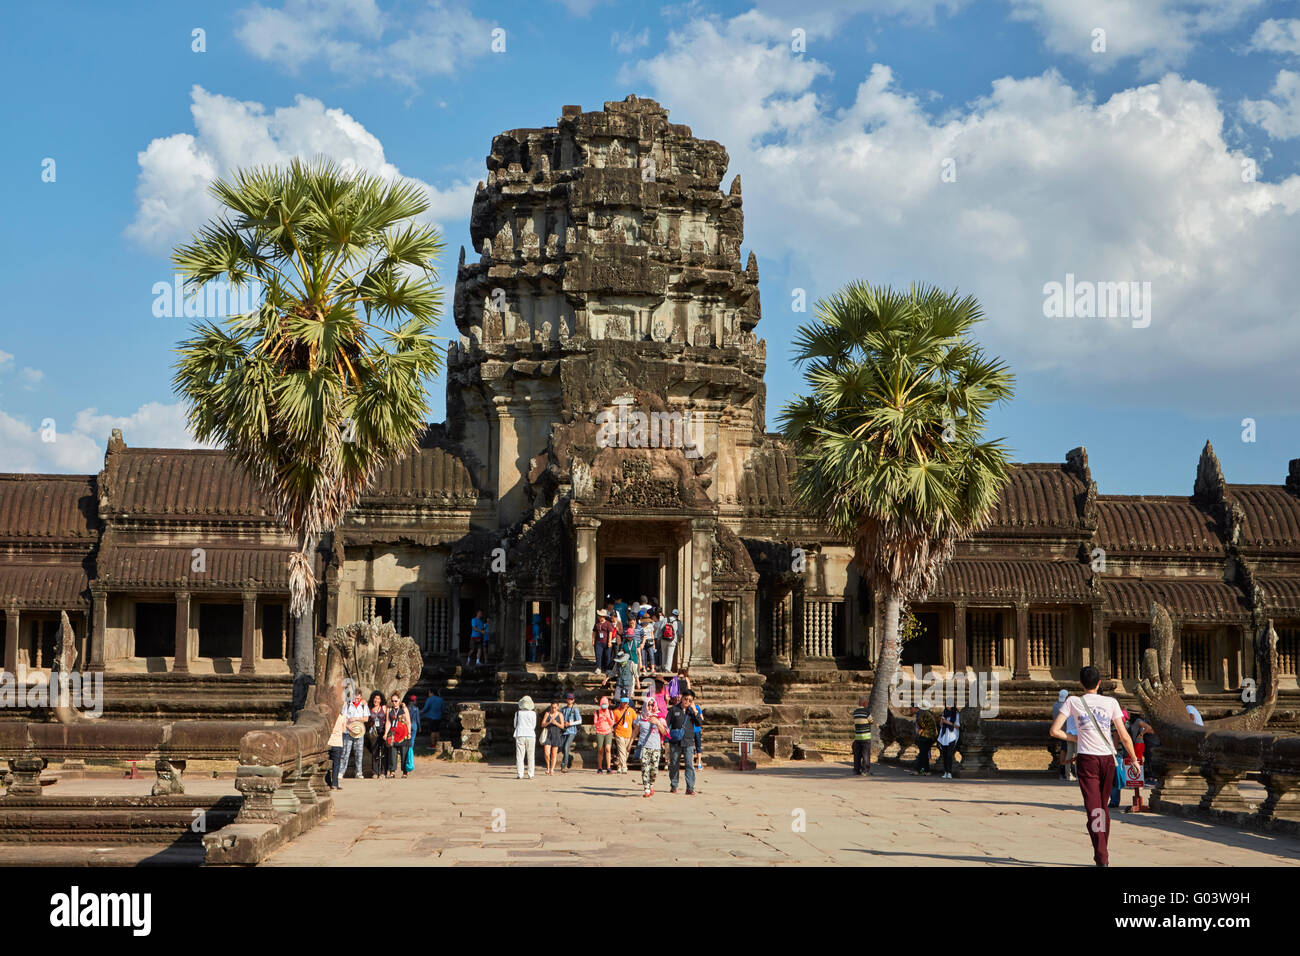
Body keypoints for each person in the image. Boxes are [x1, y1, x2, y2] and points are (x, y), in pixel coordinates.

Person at [1050, 666, 1139, 867]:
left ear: (1081, 683)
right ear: (1100, 683)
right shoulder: (1111, 702)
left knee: (1094, 808)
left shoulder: (1073, 701)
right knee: (1102, 807)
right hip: (1107, 758)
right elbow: (1124, 736)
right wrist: (1133, 759)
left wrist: (1074, 737)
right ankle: (1102, 851)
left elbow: (1054, 731)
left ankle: (1102, 856)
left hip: (1087, 759)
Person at [667, 690, 703, 794]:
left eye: (690, 700)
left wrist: (695, 711)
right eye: (685, 699)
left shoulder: (692, 711)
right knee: (674, 764)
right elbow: (667, 724)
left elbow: (699, 723)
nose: (687, 701)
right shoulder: (674, 710)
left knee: (689, 765)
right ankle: (674, 785)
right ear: (682, 698)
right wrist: (666, 739)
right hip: (675, 741)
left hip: (688, 742)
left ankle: (690, 787)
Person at [634, 700, 668, 797]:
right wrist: (630, 744)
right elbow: (635, 732)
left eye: (652, 705)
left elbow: (665, 732)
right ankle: (646, 789)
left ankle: (651, 784)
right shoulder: (640, 718)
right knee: (645, 768)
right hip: (644, 747)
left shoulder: (660, 718)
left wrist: (657, 723)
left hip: (656, 747)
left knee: (654, 770)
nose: (650, 707)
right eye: (648, 705)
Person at [342, 688, 369, 783]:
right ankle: (341, 771)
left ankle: (358, 772)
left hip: (359, 732)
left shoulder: (363, 705)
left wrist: (356, 719)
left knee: (359, 753)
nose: (356, 700)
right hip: (348, 731)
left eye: (358, 698)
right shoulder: (348, 704)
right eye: (355, 698)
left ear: (361, 697)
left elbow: (366, 718)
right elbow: (343, 718)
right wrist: (347, 726)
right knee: (345, 752)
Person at [1052, 689, 1078, 781]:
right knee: (1075, 753)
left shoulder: (1055, 705)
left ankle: (1066, 773)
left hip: (1063, 731)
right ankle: (1074, 773)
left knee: (1068, 752)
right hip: (1070, 732)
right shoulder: (1069, 708)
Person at [384, 693, 412, 779]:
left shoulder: (404, 709)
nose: (394, 703)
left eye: (396, 701)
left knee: (404, 753)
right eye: (392, 701)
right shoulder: (389, 710)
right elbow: (388, 722)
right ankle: (392, 771)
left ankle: (404, 772)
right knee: (392, 753)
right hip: (393, 733)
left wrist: (409, 732)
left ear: (399, 700)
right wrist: (385, 733)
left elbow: (408, 721)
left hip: (403, 734)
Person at [611, 696, 637, 774]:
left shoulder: (631, 711)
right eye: (624, 702)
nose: (625, 704)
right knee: (622, 750)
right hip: (619, 733)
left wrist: (635, 731)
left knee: (625, 752)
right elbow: (613, 722)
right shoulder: (615, 711)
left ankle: (619, 766)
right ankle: (624, 767)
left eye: (626, 702)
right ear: (621, 703)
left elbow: (635, 721)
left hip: (628, 733)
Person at [514, 696, 537, 779]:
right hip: (530, 735)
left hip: (520, 734)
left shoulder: (518, 713)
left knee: (520, 756)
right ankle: (531, 774)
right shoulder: (533, 714)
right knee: (531, 756)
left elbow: (515, 725)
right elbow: (534, 725)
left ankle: (520, 774)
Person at [540, 700, 565, 775]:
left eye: (555, 708)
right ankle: (547, 767)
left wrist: (556, 723)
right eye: (552, 707)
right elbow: (542, 724)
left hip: (556, 735)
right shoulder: (547, 714)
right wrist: (549, 722)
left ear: (557, 707)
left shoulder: (560, 715)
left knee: (554, 754)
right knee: (546, 753)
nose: (553, 709)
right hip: (548, 734)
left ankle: (552, 769)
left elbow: (562, 726)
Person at [366, 691, 388, 778]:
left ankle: (383, 772)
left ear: (381, 700)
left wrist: (386, 732)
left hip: (382, 731)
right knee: (374, 752)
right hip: (373, 732)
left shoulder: (384, 708)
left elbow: (388, 720)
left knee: (383, 752)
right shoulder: (370, 708)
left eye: (378, 699)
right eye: (375, 698)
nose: (376, 700)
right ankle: (375, 772)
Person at [911, 706, 938, 775]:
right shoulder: (922, 713)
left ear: (916, 708)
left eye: (911, 708)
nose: (910, 710)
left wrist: (918, 734)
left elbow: (922, 726)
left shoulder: (921, 714)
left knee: (923, 754)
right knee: (924, 754)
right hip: (929, 735)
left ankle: (921, 770)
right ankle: (924, 771)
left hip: (927, 736)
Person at [850, 696, 873, 775]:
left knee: (857, 754)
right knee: (866, 754)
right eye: (867, 703)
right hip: (866, 736)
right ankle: (865, 770)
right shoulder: (867, 712)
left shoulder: (855, 712)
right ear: (864, 703)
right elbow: (871, 721)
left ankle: (856, 770)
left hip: (858, 736)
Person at [593, 695, 615, 773]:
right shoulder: (597, 712)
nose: (604, 705)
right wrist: (601, 719)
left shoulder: (610, 712)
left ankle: (608, 767)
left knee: (608, 749)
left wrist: (607, 717)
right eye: (603, 703)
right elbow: (595, 723)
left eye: (605, 703)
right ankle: (599, 767)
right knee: (600, 750)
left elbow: (612, 723)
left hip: (608, 731)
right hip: (600, 732)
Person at [937, 703, 960, 778]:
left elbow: (957, 726)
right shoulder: (944, 712)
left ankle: (949, 772)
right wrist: (942, 721)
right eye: (946, 705)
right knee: (944, 754)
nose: (947, 706)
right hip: (944, 735)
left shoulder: (956, 714)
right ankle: (945, 772)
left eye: (949, 705)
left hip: (952, 735)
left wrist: (947, 722)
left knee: (949, 754)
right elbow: (941, 725)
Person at [561, 693, 581, 771]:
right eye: (569, 699)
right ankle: (569, 757)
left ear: (573, 700)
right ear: (566, 699)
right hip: (564, 730)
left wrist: (570, 724)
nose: (570, 700)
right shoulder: (563, 709)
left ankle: (564, 765)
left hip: (572, 731)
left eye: (571, 699)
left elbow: (579, 720)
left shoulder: (575, 709)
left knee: (566, 747)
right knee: (562, 748)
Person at [327, 710, 346, 790]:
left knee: (327, 764)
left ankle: (327, 782)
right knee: (336, 764)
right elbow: (343, 730)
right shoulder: (342, 717)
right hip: (337, 742)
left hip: (329, 742)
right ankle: (334, 783)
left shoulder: (329, 717)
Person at [593, 608, 616, 675]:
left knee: (607, 656)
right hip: (598, 641)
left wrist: (609, 641)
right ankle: (598, 668)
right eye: (599, 616)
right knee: (598, 655)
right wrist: (593, 640)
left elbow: (610, 632)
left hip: (606, 641)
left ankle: (607, 669)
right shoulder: (597, 624)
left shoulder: (608, 624)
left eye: (600, 616)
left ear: (604, 617)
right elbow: (594, 632)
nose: (599, 617)